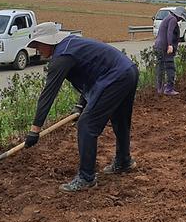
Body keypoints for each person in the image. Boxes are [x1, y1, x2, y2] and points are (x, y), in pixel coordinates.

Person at [23, 24, 138, 192]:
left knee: (87, 125)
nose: (37, 50)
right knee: (120, 120)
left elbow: (48, 94)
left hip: (114, 77)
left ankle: (86, 178)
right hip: (128, 71)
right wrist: (80, 105)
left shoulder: (62, 57)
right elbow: (90, 76)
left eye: (38, 45)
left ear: (48, 42)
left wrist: (35, 130)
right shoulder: (70, 45)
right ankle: (124, 161)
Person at [153, 7, 185, 96]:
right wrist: (170, 45)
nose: (180, 20)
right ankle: (169, 89)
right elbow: (169, 32)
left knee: (160, 67)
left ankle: (159, 88)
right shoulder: (173, 19)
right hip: (165, 47)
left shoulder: (168, 18)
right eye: (181, 18)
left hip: (159, 46)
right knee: (170, 67)